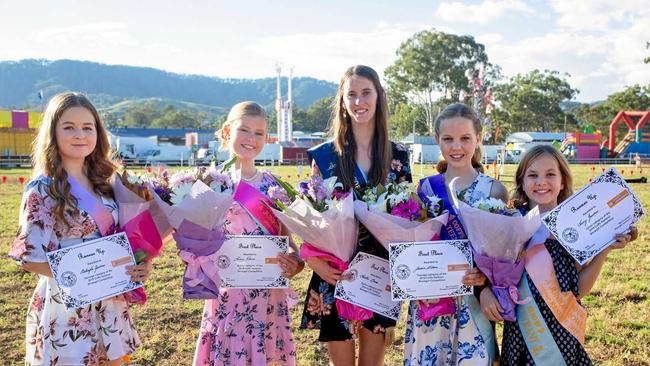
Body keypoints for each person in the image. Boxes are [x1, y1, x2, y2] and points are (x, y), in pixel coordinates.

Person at [8, 92, 151, 365]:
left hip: (110, 305)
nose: (79, 135)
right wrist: (87, 280)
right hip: (68, 309)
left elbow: (128, 238)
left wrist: (142, 264)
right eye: (69, 127)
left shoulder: (108, 182)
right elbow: (28, 257)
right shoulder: (42, 188)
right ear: (53, 131)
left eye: (88, 127)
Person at [300, 65, 412, 366]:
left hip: (379, 275)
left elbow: (408, 218)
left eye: (366, 93)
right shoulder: (324, 156)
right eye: (352, 95)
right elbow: (311, 217)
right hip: (335, 271)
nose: (359, 102)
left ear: (379, 97)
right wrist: (314, 261)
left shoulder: (398, 156)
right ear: (342, 101)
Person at [499, 144, 638, 365]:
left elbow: (579, 290)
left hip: (562, 331)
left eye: (550, 174)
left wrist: (603, 249)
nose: (541, 182)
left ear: (562, 181)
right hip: (523, 333)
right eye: (532, 175)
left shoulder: (575, 227)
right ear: (522, 183)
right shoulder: (510, 225)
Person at [192, 101, 304, 366]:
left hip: (268, 294)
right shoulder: (210, 183)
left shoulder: (273, 185)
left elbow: (288, 242)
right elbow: (195, 245)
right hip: (228, 294)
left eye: (259, 133)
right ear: (227, 131)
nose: (251, 139)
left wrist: (295, 262)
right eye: (244, 130)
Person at [404, 103, 507, 365]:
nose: (456, 147)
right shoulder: (426, 188)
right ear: (437, 140)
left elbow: (505, 258)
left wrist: (485, 281)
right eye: (448, 139)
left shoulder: (493, 191)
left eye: (465, 138)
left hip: (473, 303)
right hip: (431, 301)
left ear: (478, 139)